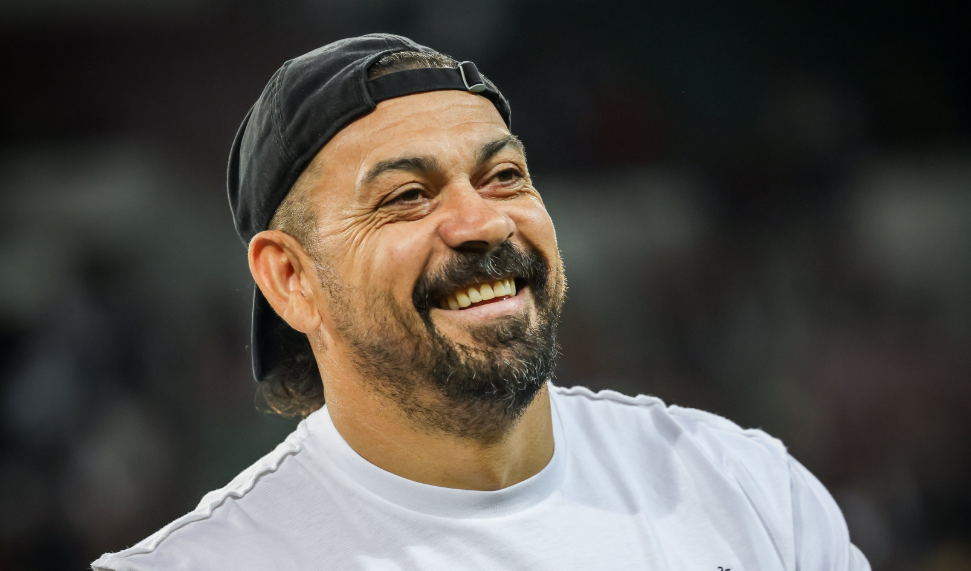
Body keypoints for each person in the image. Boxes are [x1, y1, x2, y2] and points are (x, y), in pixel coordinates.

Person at [93, 34, 870, 571]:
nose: (484, 222)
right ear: (291, 278)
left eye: (503, 177)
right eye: (406, 195)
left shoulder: (743, 486)